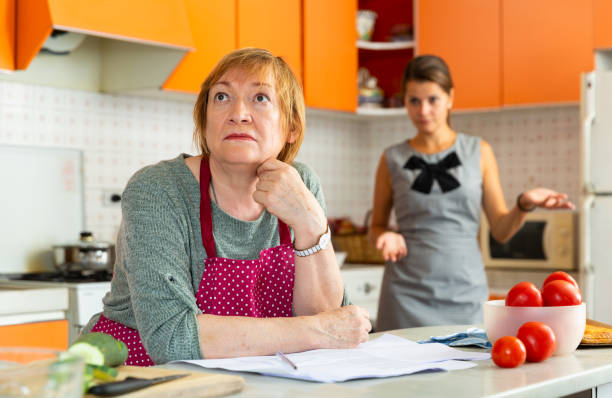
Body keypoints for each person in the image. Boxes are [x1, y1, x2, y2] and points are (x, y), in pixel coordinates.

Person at [82, 48, 371, 366]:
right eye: (221, 97)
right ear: (204, 121)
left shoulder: (302, 183)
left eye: (260, 98)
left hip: (250, 372)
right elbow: (172, 337)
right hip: (139, 375)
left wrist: (310, 219)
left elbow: (326, 320)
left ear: (292, 128)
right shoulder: (158, 189)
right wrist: (318, 331)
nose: (238, 113)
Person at [370, 55, 574, 331]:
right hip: (405, 295)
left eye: (433, 99)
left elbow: (501, 230)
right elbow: (376, 227)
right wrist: (386, 235)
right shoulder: (391, 158)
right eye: (413, 101)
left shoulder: (479, 152)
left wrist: (525, 203)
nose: (423, 110)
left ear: (450, 98)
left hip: (464, 294)